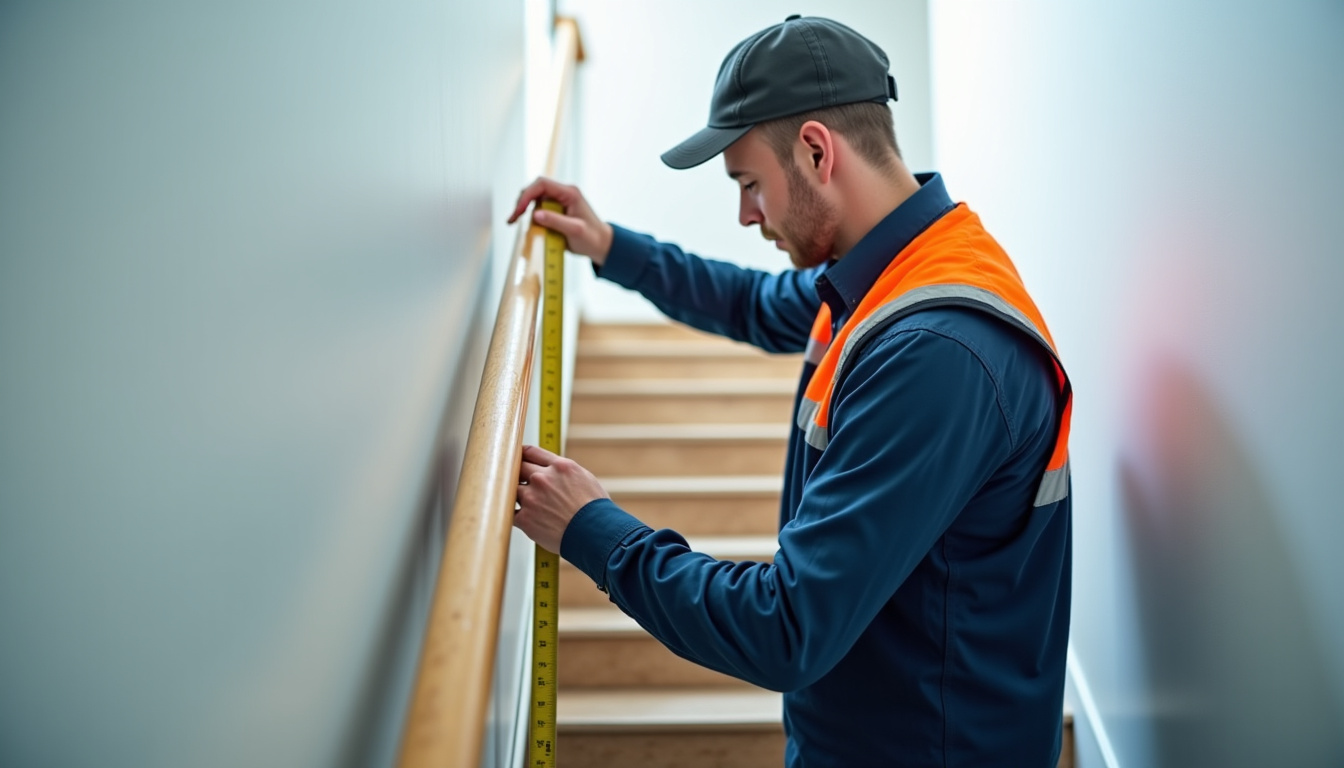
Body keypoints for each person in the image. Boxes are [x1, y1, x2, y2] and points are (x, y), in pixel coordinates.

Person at [508, 15, 1072, 768]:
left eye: (749, 183)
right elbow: (751, 302)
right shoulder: (881, 278)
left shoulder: (935, 354)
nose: (746, 214)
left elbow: (787, 628)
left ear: (815, 150)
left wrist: (593, 529)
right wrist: (613, 247)